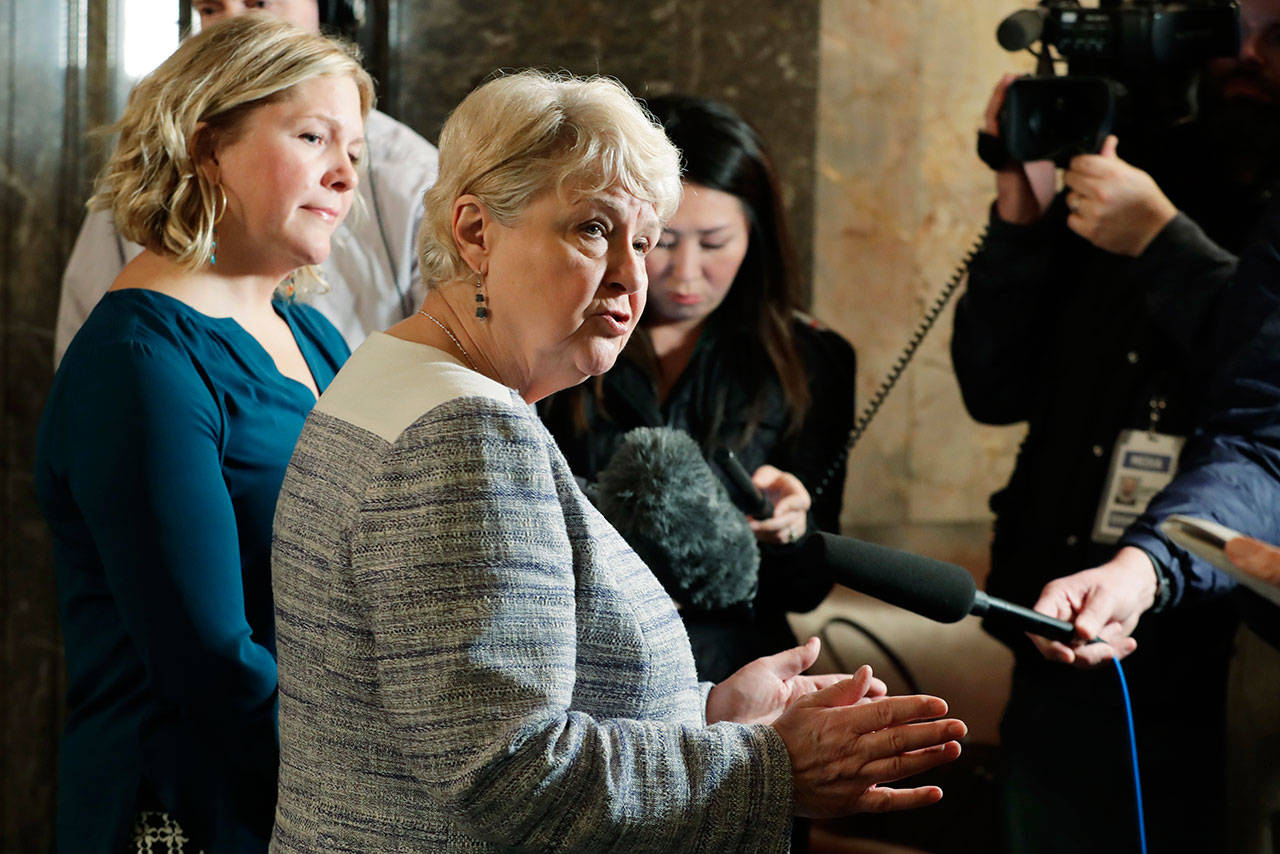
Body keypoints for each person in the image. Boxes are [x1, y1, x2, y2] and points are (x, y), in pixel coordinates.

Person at [270, 70, 966, 852]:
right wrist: (768, 764)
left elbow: (471, 717)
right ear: (474, 232)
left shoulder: (392, 368)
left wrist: (706, 713)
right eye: (594, 230)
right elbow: (510, 776)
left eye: (643, 238)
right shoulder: (467, 435)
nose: (635, 279)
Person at [34, 16, 370, 852]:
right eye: (311, 135)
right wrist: (387, 779)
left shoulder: (315, 333)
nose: (342, 174)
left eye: (353, 153)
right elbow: (212, 663)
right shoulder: (139, 363)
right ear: (206, 145)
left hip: (308, 796)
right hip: (186, 809)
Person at [948, 38, 1280, 848]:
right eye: (1234, 31)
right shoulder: (1103, 171)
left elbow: (1262, 406)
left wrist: (1164, 244)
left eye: (1270, 37)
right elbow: (991, 388)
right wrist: (1021, 215)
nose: (1245, 52)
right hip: (1072, 620)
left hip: (1219, 636)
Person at [539, 94, 857, 685]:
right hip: (577, 657)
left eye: (713, 244)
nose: (686, 273)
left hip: (737, 662)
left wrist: (788, 532)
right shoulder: (551, 336)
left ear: (754, 237)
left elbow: (808, 588)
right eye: (660, 242)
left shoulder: (811, 359)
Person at [53, 0, 437, 362]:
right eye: (210, 8)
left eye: (258, 3)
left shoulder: (414, 177)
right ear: (208, 150)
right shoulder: (142, 343)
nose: (234, 25)